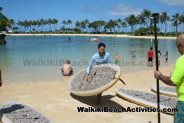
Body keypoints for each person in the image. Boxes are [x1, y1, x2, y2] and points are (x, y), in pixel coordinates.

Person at [154, 33, 184, 123]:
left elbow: (172, 82)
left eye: (177, 46)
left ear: (180, 45)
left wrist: (159, 76)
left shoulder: (181, 60)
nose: (178, 50)